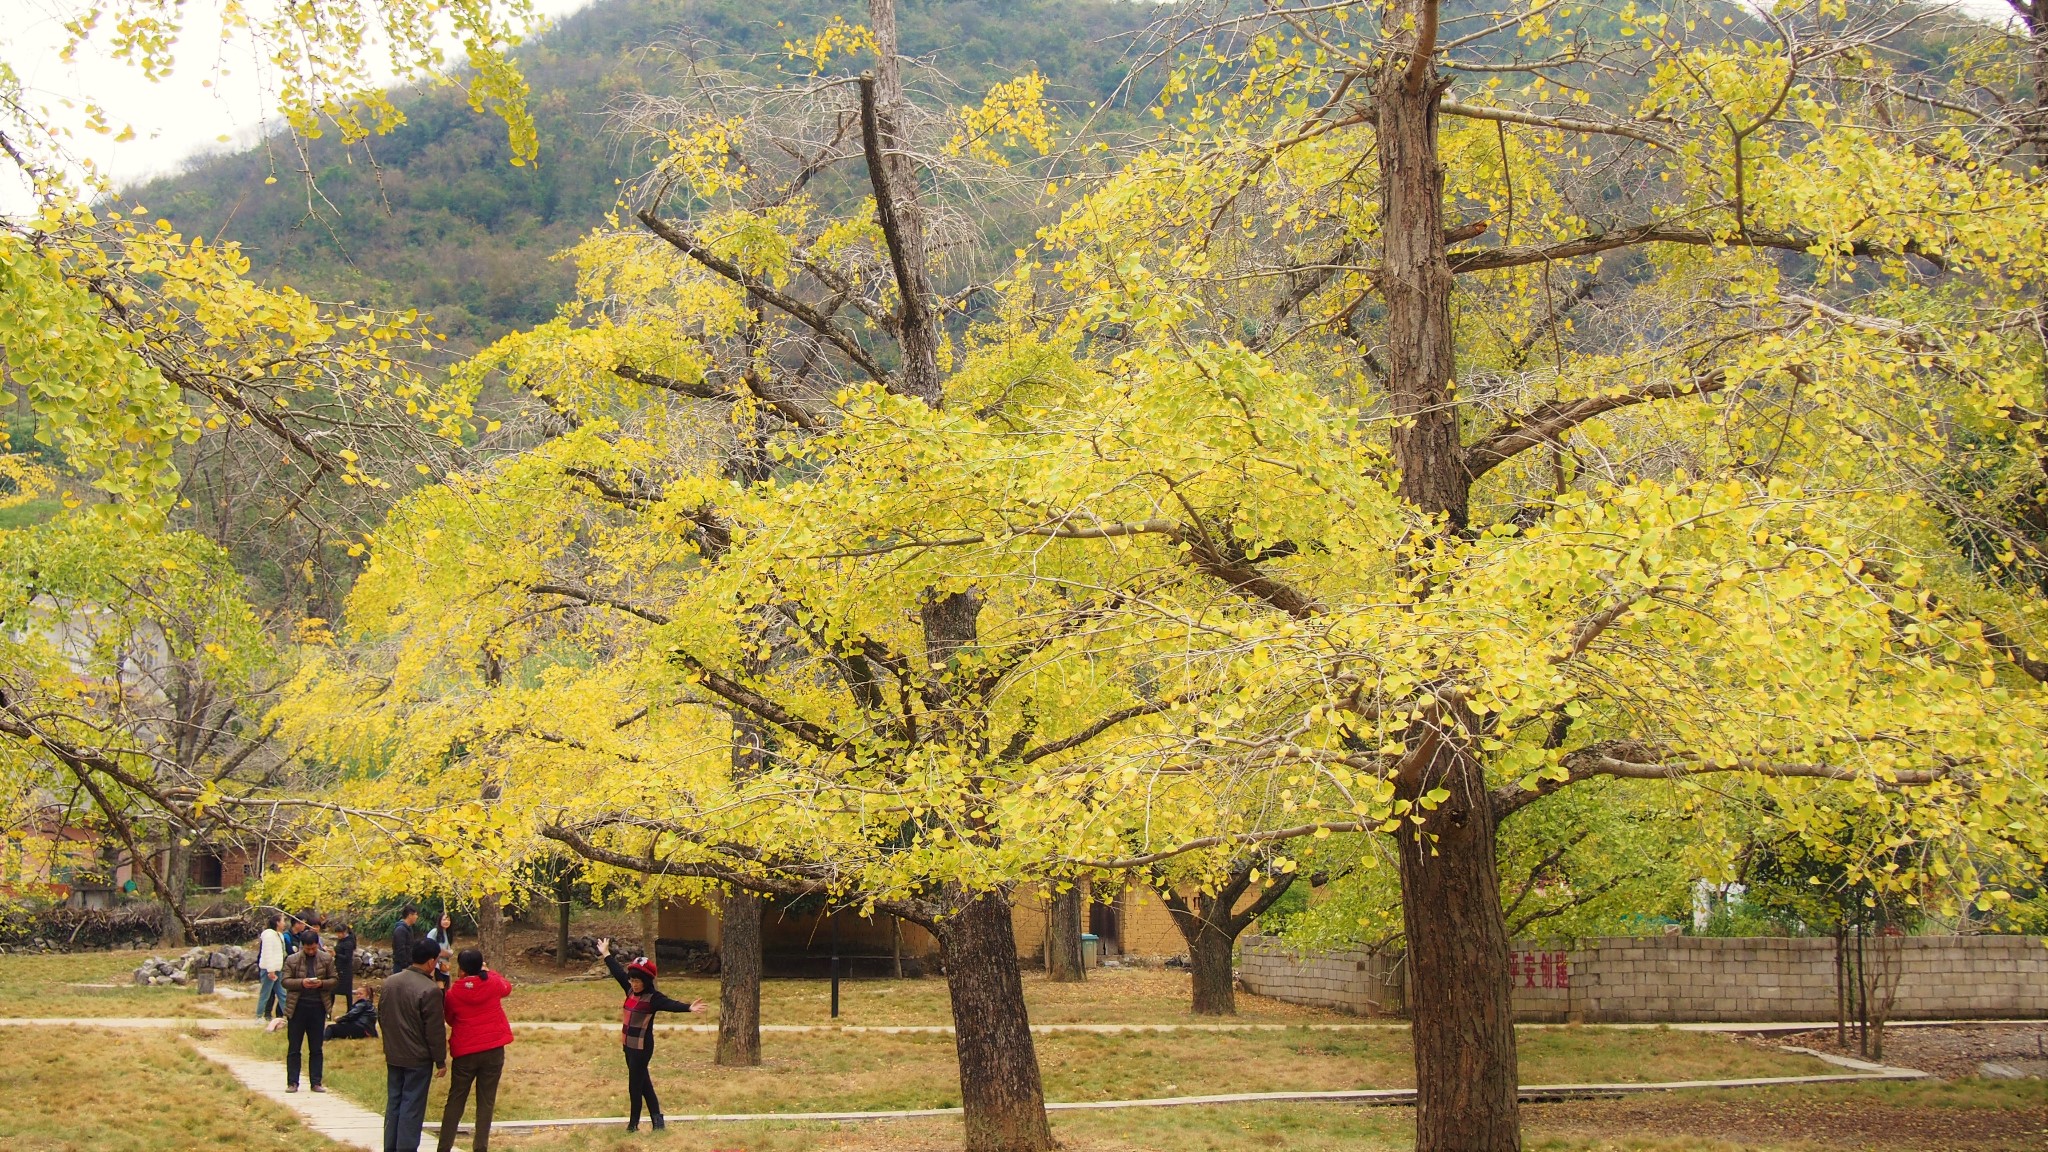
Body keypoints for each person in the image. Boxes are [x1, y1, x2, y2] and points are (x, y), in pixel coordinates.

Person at [597, 937, 707, 1132]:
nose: (634, 983)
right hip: (628, 1046)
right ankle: (658, 1121)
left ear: (646, 981)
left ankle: (633, 1126)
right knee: (643, 1083)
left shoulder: (654, 998)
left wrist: (689, 1007)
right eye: (633, 980)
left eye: (638, 981)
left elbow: (671, 1005)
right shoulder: (629, 990)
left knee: (635, 1086)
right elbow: (617, 972)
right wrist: (606, 953)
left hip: (642, 1048)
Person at [437, 948, 512, 1152]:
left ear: (461, 969)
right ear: (481, 966)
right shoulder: (493, 983)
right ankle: (480, 1147)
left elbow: (450, 1018)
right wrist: (490, 971)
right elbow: (507, 988)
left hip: (466, 1051)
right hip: (493, 1048)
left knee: (456, 1100)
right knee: (486, 1101)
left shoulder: (453, 993)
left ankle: (444, 1147)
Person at [381, 938, 447, 1152]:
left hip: (394, 1053)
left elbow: (382, 1016)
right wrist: (440, 1060)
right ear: (430, 962)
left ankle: (390, 1147)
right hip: (417, 1057)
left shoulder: (390, 982)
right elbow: (434, 1031)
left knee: (394, 1103)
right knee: (412, 1106)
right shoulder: (430, 990)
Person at [281, 930, 338, 1092]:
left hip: (318, 1007)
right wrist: (301, 982)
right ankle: (292, 1082)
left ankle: (316, 1082)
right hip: (297, 1008)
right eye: (308, 949)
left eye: (313, 948)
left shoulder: (326, 959)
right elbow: (285, 981)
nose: (311, 952)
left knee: (316, 1047)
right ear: (302, 947)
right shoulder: (292, 959)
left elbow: (334, 979)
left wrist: (321, 984)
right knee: (294, 1047)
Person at [256, 913, 287, 1020]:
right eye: (283, 921)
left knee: (282, 994)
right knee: (265, 994)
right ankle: (259, 1016)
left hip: (278, 969)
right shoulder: (269, 935)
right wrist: (270, 970)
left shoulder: (279, 935)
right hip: (269, 969)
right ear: (277, 922)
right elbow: (268, 953)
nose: (284, 923)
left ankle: (289, 1015)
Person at [333, 922, 358, 1005]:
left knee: (347, 992)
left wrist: (336, 955)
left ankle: (349, 1009)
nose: (338, 935)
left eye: (339, 933)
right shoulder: (341, 941)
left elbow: (347, 958)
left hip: (345, 969)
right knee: (332, 991)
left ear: (344, 932)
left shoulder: (348, 943)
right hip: (338, 967)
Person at [392, 905, 421, 973]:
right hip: (401, 967)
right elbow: (400, 949)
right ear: (410, 915)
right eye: (415, 915)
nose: (417, 917)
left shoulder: (408, 929)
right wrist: (404, 966)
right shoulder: (400, 930)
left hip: (409, 965)